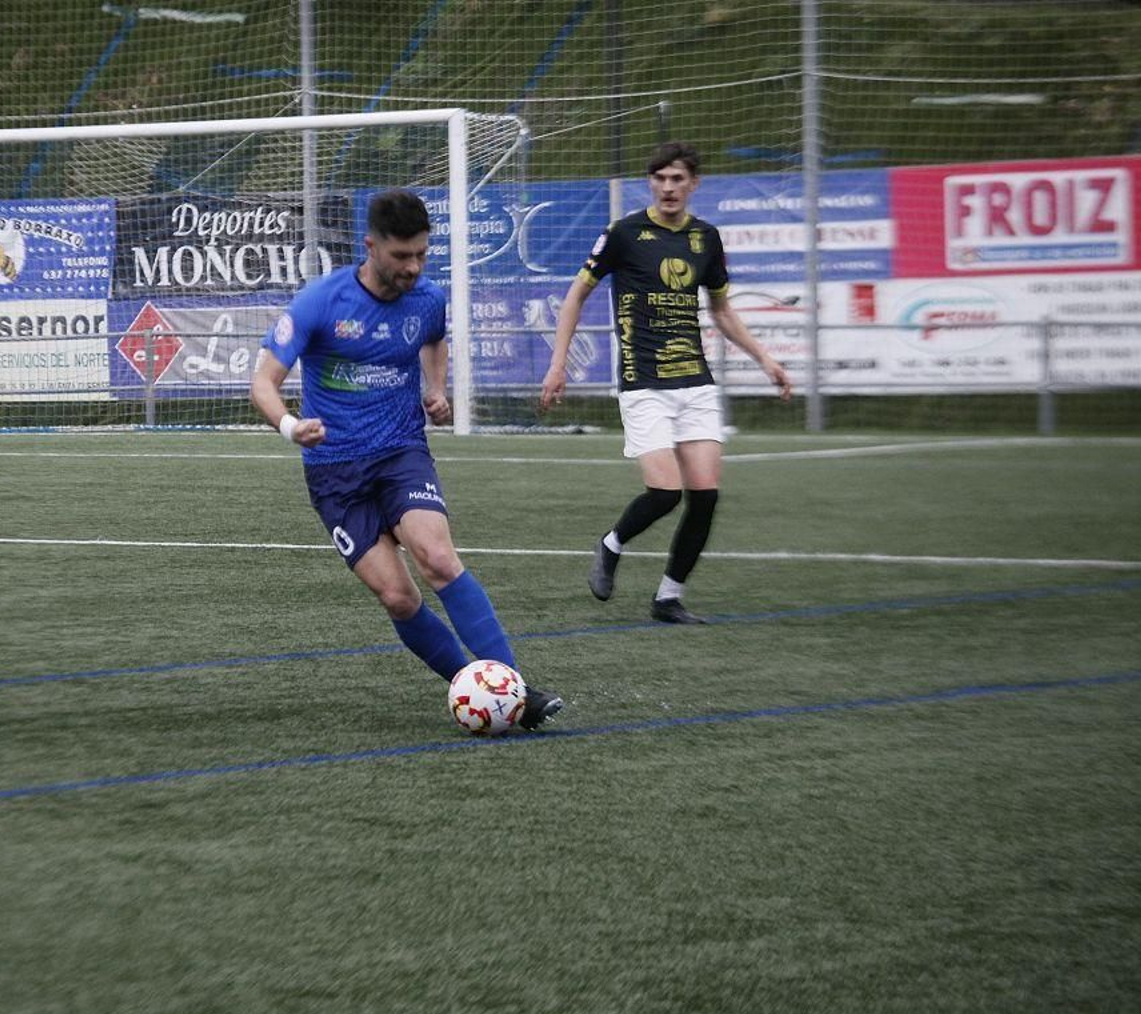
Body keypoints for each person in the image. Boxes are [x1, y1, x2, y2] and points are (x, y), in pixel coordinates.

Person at [251, 190, 564, 728]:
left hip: (401, 453)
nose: (414, 267)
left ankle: (512, 691)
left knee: (438, 558)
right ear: (370, 247)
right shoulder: (320, 302)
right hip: (335, 474)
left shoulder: (426, 299)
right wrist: (288, 425)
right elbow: (262, 381)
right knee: (397, 597)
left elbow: (433, 339)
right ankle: (471, 686)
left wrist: (436, 388)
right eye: (401, 257)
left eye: (422, 254)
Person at [540, 142, 793, 624]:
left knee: (706, 495)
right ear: (650, 183)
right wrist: (558, 364)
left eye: (678, 179)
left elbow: (722, 311)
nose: (669, 187)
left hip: (695, 382)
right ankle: (612, 544)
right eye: (660, 178)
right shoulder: (624, 233)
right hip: (643, 380)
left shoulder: (706, 238)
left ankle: (668, 598)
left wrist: (766, 359)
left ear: (694, 183)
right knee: (664, 493)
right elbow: (575, 297)